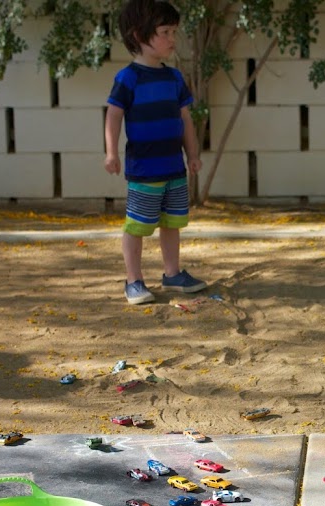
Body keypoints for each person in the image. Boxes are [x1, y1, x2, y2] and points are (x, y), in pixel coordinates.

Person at [105, 0, 206, 305]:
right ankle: (134, 281)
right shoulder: (128, 78)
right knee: (137, 225)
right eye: (165, 32)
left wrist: (192, 154)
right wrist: (111, 153)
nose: (173, 39)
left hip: (174, 168)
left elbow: (185, 118)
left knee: (172, 223)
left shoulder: (174, 78)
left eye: (174, 31)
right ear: (139, 35)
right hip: (144, 171)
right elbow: (113, 116)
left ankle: (172, 274)